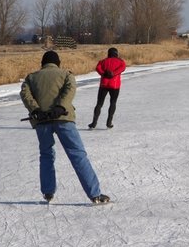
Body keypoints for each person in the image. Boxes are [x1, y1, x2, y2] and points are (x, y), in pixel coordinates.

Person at [20, 50, 110, 204]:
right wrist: (60, 107)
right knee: (77, 154)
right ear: (57, 63)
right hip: (63, 120)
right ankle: (94, 194)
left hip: (42, 122)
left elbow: (24, 94)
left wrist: (35, 110)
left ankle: (48, 193)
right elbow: (70, 89)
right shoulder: (66, 75)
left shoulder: (31, 78)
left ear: (43, 64)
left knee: (46, 155)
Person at [89, 47, 126, 129]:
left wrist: (103, 74)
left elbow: (98, 68)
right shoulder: (120, 61)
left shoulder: (103, 61)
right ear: (116, 53)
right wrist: (113, 73)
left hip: (104, 85)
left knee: (99, 103)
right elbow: (123, 67)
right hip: (115, 85)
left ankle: (94, 122)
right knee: (113, 103)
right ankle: (109, 122)